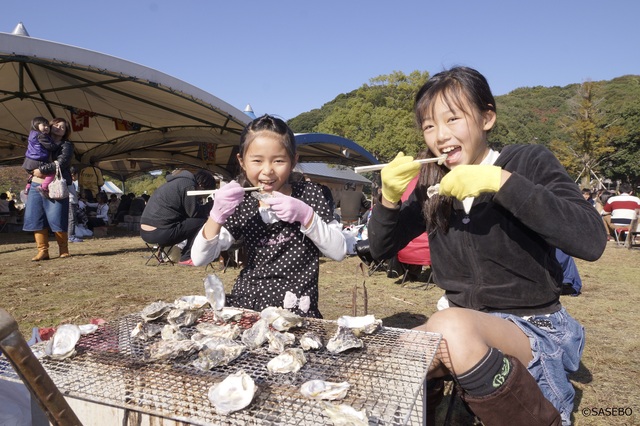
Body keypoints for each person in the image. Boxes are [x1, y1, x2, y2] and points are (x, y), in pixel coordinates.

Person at [367, 67, 607, 425]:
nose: (441, 136)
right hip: (461, 324)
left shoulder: (528, 162)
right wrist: (387, 199)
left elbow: (591, 239)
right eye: (429, 126)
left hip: (534, 324)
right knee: (387, 360)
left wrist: (501, 182)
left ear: (487, 117)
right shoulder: (433, 181)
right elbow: (380, 248)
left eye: (453, 119)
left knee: (448, 325)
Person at [191, 114, 347, 318]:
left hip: (296, 309)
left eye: (279, 160)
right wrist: (216, 216)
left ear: (293, 160)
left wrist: (306, 215)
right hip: (248, 306)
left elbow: (339, 251)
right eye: (257, 160)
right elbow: (199, 258)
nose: (267, 171)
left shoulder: (311, 194)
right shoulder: (242, 203)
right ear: (242, 161)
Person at [22, 117, 74, 261]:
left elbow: (62, 163)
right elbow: (30, 158)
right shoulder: (40, 139)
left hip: (55, 185)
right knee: (35, 217)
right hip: (36, 184)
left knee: (57, 216)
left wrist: (41, 170)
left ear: (66, 132)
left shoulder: (66, 145)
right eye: (56, 125)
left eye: (62, 127)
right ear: (49, 126)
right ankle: (42, 250)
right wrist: (32, 171)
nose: (58, 128)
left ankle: (63, 249)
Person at [140, 169, 217, 265]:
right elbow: (194, 214)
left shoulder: (175, 183)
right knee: (201, 221)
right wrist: (211, 205)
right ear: (202, 185)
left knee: (189, 222)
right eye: (204, 194)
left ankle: (165, 254)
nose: (201, 197)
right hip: (159, 232)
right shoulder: (188, 185)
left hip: (145, 232)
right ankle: (187, 256)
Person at [21, 116, 56, 196]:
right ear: (36, 125)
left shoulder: (32, 134)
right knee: (52, 172)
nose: (46, 127)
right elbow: (50, 147)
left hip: (28, 162)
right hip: (37, 160)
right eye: (44, 125)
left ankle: (28, 186)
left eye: (48, 126)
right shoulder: (41, 135)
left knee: (33, 173)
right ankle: (43, 187)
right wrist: (56, 145)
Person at [67, 166, 83, 243]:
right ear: (73, 174)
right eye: (77, 175)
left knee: (71, 219)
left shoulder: (71, 183)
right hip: (71, 202)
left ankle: (70, 235)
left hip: (72, 202)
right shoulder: (68, 182)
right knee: (71, 219)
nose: (77, 177)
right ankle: (70, 236)